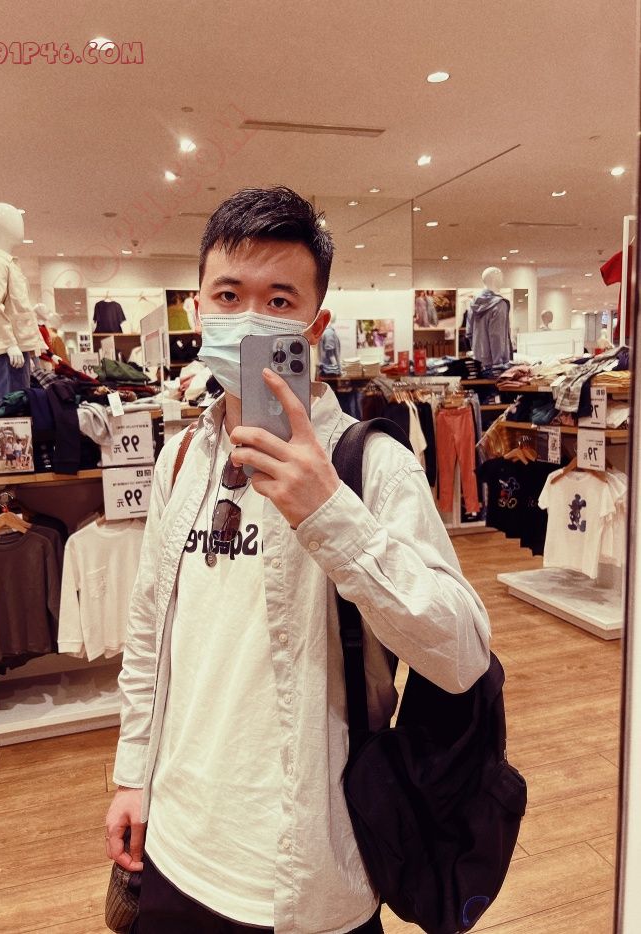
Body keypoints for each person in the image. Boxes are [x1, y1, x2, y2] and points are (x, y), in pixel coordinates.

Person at [105, 187, 491, 934]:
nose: (251, 318)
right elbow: (151, 630)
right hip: (176, 844)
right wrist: (132, 775)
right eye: (229, 295)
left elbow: (462, 653)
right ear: (198, 309)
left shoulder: (372, 467)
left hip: (304, 869)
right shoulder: (180, 457)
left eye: (279, 300)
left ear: (315, 324)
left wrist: (330, 514)